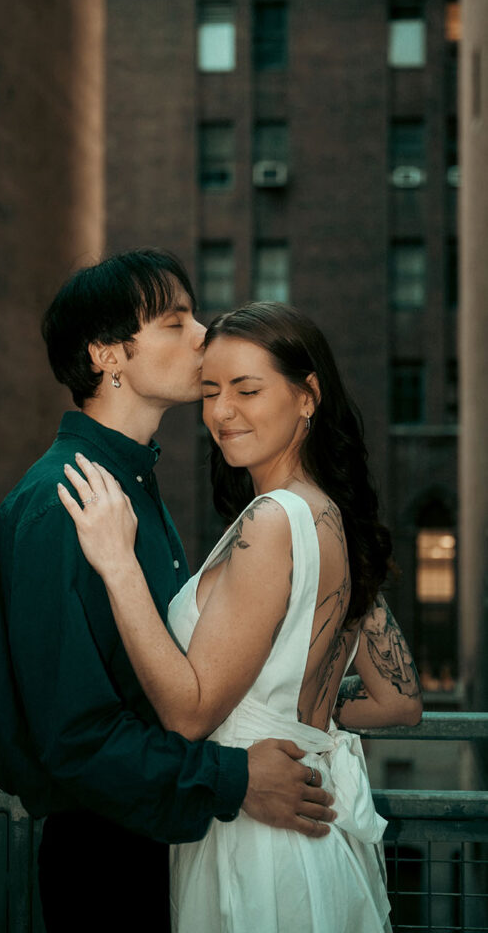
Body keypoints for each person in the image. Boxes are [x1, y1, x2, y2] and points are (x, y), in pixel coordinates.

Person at [0, 253, 336, 933]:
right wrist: (235, 779)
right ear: (107, 355)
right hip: (106, 862)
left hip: (163, 840)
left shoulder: (133, 487)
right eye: (175, 322)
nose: (203, 334)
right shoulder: (61, 504)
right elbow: (74, 738)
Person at [59, 302, 423, 933]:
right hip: (314, 837)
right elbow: (401, 701)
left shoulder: (272, 521)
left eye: (247, 390)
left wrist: (119, 566)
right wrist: (316, 714)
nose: (221, 413)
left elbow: (190, 713)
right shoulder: (332, 518)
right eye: (210, 391)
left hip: (260, 845)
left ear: (307, 396)